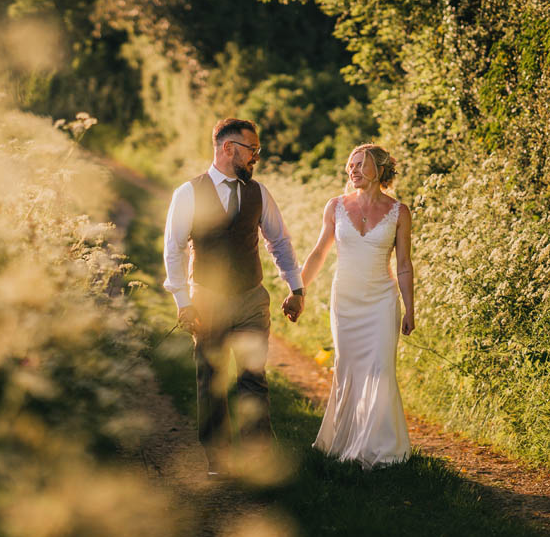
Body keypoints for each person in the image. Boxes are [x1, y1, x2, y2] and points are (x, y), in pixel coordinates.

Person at [163, 118, 306, 477]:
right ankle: (218, 459)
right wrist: (183, 302)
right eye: (252, 150)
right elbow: (174, 249)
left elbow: (280, 242)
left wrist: (296, 287)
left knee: (253, 378)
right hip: (207, 300)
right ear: (229, 149)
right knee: (210, 378)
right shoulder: (188, 193)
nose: (255, 158)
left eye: (256, 151)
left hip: (251, 299)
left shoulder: (259, 193)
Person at [300, 143, 413, 468]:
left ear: (379, 169)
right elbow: (320, 252)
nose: (353, 170)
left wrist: (410, 308)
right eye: (350, 165)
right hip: (345, 302)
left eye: (361, 164)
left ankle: (383, 451)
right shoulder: (335, 206)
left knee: (380, 370)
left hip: (381, 301)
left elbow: (404, 264)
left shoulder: (399, 212)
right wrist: (299, 289)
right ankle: (346, 443)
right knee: (348, 369)